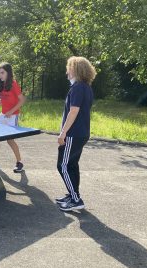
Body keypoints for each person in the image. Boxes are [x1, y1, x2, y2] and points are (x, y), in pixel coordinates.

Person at [56, 56, 96, 211]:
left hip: (73, 134)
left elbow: (73, 111)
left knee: (63, 165)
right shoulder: (84, 87)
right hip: (81, 133)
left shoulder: (78, 87)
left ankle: (76, 199)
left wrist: (63, 133)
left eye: (69, 67)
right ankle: (73, 195)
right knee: (72, 165)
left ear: (76, 70)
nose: (67, 70)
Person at [0, 62, 26, 173]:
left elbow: (22, 100)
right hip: (3, 115)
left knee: (10, 140)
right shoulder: (2, 85)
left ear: (8, 73)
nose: (0, 75)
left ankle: (19, 162)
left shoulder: (13, 84)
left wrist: (11, 111)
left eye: (2, 73)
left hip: (13, 116)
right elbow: (3, 100)